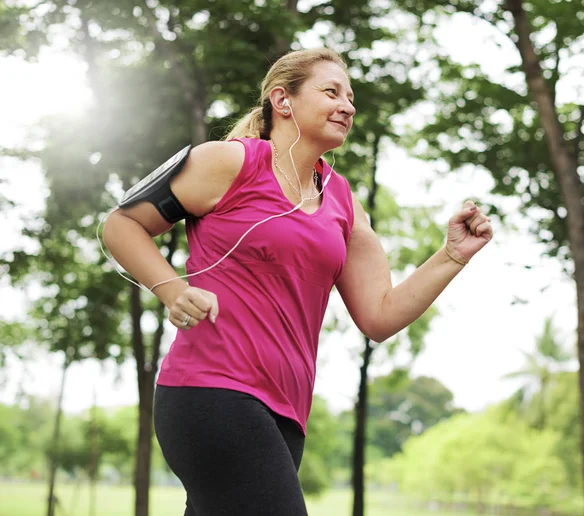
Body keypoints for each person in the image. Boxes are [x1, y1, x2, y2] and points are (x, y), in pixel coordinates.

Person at [102, 47, 493, 516]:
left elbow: (379, 315)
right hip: (211, 390)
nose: (348, 105)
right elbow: (121, 225)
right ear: (282, 100)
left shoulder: (345, 203)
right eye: (332, 92)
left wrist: (451, 256)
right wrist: (171, 288)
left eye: (351, 97)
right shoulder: (229, 163)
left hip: (286, 411)